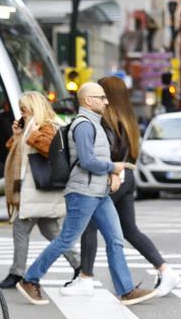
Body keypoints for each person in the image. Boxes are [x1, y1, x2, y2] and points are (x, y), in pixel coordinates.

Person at [16, 82, 157, 306]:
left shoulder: (95, 124)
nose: (106, 101)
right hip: (83, 192)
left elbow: (94, 157)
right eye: (101, 97)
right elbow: (87, 160)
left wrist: (110, 172)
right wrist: (113, 168)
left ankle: (126, 290)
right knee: (65, 240)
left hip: (98, 193)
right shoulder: (83, 125)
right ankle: (30, 279)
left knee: (115, 239)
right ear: (88, 101)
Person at [63, 76, 180, 297]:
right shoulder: (128, 118)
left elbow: (106, 153)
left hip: (113, 178)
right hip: (127, 178)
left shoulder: (106, 120)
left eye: (103, 93)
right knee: (130, 230)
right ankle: (165, 270)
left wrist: (111, 173)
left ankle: (86, 278)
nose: (102, 99)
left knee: (90, 225)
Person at [0, 91, 81, 289]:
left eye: (24, 110)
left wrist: (31, 132)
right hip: (35, 192)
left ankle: (16, 272)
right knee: (51, 231)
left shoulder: (48, 126)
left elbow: (49, 149)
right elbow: (17, 151)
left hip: (37, 191)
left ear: (35, 108)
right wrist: (18, 135)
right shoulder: (30, 127)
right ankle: (80, 265)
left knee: (20, 228)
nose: (22, 114)